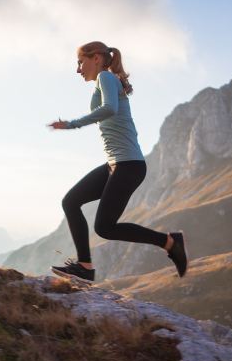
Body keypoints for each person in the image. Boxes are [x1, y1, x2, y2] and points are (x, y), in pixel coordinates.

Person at [47, 41, 187, 284]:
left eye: (80, 62)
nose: (78, 69)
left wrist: (72, 123)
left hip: (128, 165)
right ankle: (85, 266)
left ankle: (170, 242)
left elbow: (109, 109)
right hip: (117, 164)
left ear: (97, 58)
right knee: (71, 201)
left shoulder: (105, 77)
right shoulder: (106, 80)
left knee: (105, 227)